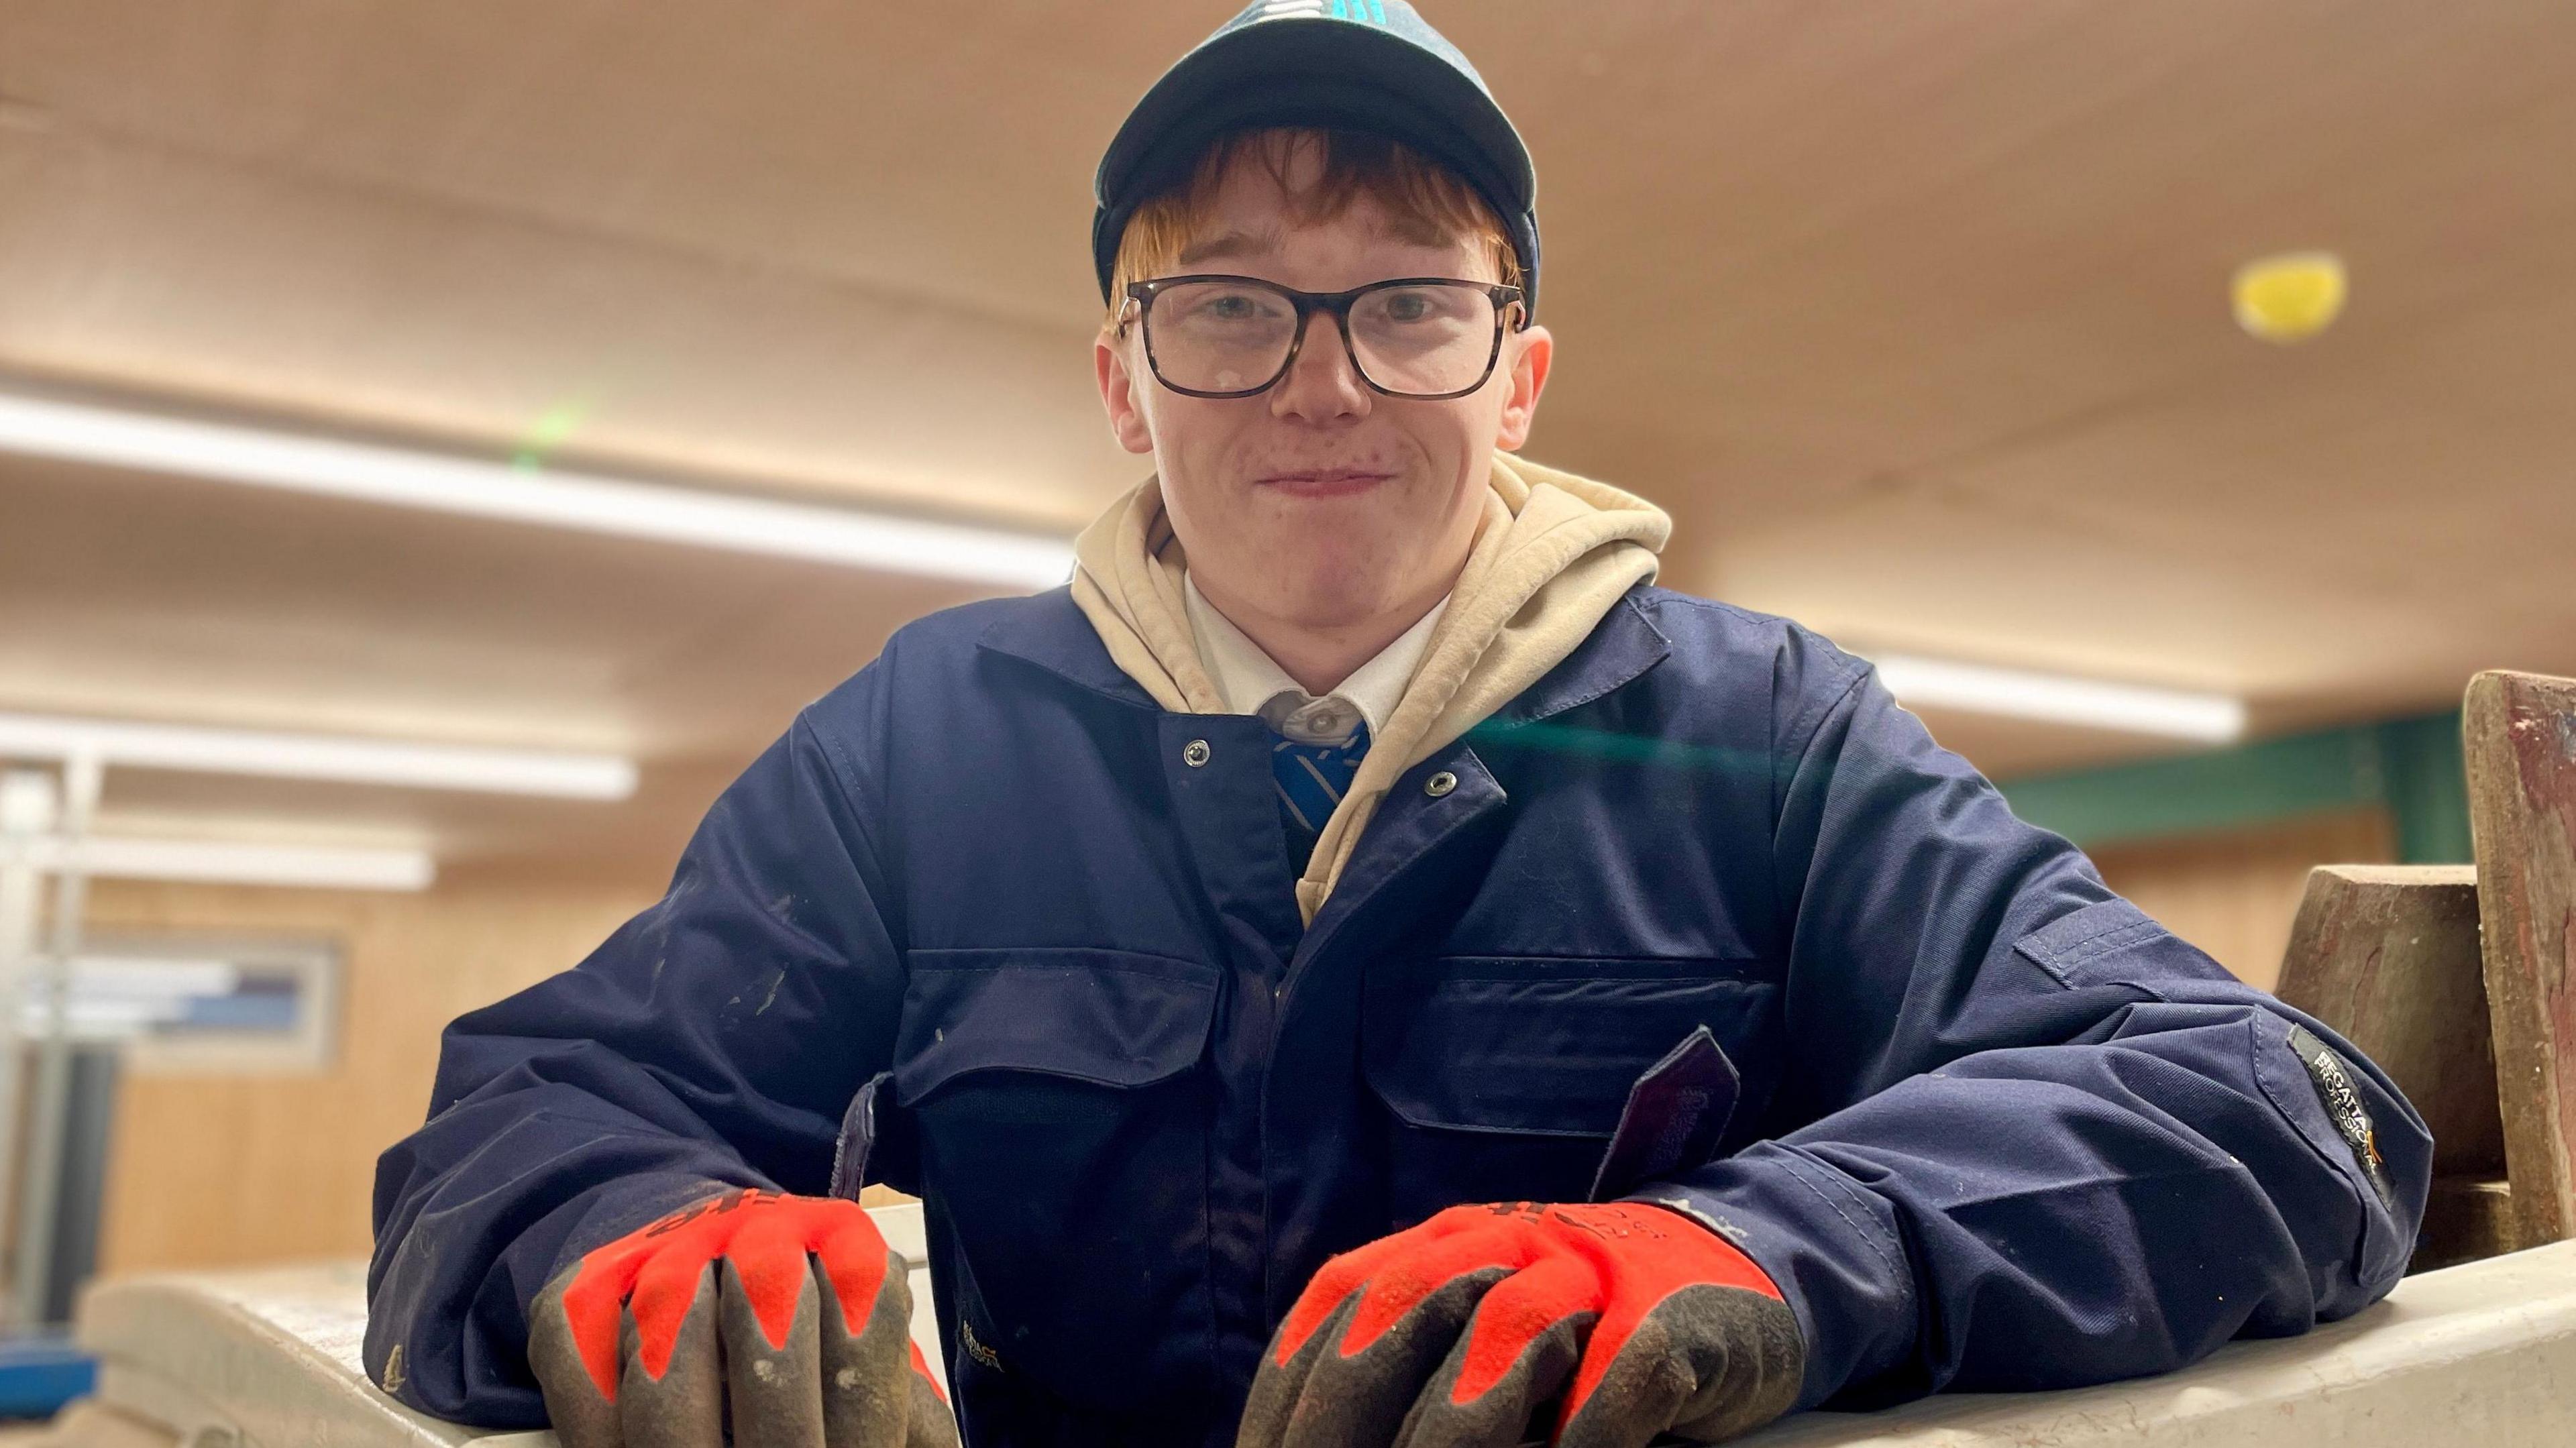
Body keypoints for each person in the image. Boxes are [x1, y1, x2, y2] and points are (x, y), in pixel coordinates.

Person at [364, 5, 2430, 1447]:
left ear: (1516, 376)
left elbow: (2277, 1112)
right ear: (1126, 383)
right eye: (1231, 306)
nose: (1322, 384)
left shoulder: (1765, 735)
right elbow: (524, 1109)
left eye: (1408, 305)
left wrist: (1756, 1251)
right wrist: (621, 1230)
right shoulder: (929, 742)